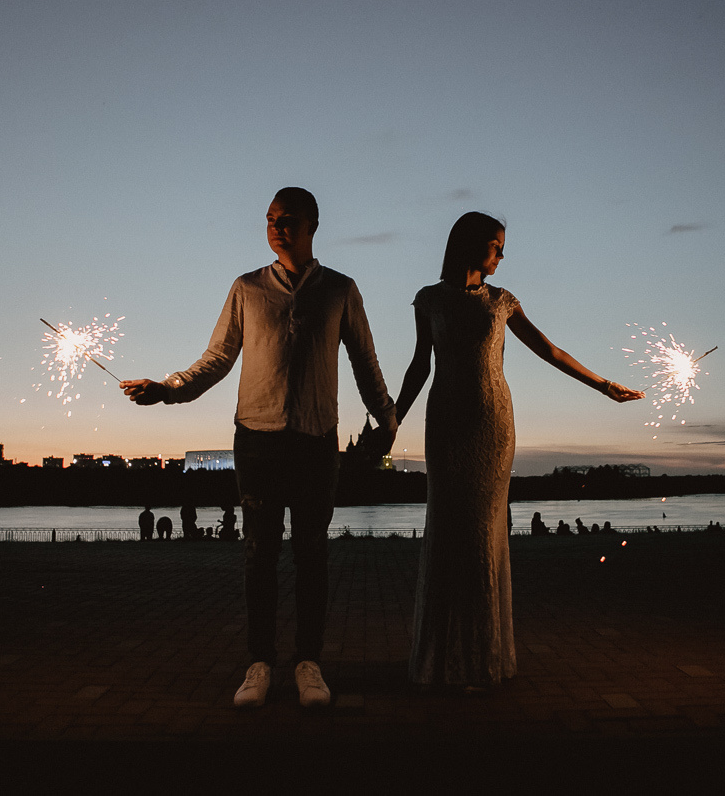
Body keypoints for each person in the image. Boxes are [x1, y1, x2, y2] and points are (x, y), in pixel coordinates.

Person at [121, 187, 398, 709]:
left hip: (317, 441)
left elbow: (365, 358)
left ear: (313, 224)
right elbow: (217, 358)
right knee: (259, 554)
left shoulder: (340, 290)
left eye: (287, 219)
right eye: (270, 218)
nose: (276, 226)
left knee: (312, 553)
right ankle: (260, 663)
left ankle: (309, 663)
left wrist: (386, 417)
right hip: (256, 439)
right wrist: (169, 389)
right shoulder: (247, 289)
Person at [394, 211, 643, 689]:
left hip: (493, 425)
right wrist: (391, 420)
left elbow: (549, 350)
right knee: (448, 530)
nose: (502, 255)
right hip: (445, 423)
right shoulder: (428, 300)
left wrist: (603, 385)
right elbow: (418, 367)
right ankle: (443, 659)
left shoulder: (502, 302)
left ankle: (483, 660)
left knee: (485, 534)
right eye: (496, 245)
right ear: (469, 244)